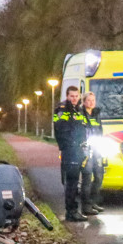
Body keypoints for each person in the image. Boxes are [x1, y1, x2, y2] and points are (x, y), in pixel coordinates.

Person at [53, 85, 89, 222]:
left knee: (75, 181)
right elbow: (61, 131)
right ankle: (71, 212)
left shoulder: (79, 109)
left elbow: (83, 128)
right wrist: (69, 146)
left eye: (76, 96)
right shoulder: (63, 110)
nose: (74, 98)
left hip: (78, 150)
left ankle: (74, 210)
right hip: (70, 150)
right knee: (72, 182)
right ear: (67, 96)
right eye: (71, 96)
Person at [80, 91, 105, 216]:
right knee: (87, 178)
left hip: (97, 149)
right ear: (84, 102)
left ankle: (93, 202)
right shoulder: (80, 114)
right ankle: (86, 206)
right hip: (86, 150)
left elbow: (100, 131)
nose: (91, 102)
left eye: (93, 100)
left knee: (99, 176)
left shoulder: (96, 114)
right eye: (88, 100)